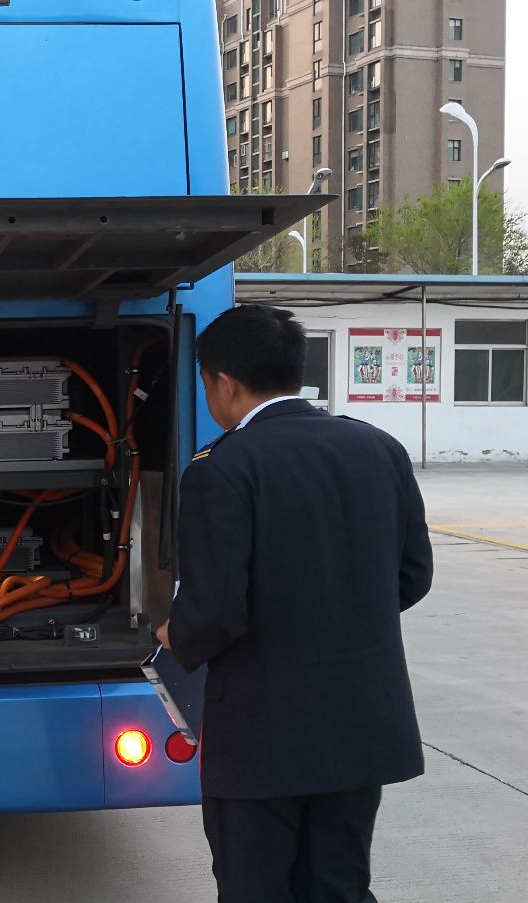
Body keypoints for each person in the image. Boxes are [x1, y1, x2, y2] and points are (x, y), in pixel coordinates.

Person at [155, 306, 433, 903]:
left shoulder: (222, 468)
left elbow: (215, 611)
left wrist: (176, 635)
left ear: (224, 383)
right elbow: (413, 576)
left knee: (255, 888)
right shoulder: (379, 448)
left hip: (262, 736)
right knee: (339, 886)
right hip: (358, 724)